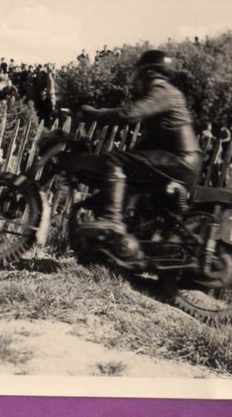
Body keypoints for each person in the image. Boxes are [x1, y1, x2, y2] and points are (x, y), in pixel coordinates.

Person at [76, 49, 203, 262]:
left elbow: (129, 114)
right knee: (126, 174)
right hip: (178, 160)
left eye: (139, 75)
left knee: (114, 159)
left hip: (180, 160)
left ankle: (113, 220)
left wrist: (92, 113)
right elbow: (147, 145)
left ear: (149, 73)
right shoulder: (165, 94)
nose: (137, 81)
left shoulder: (163, 90)